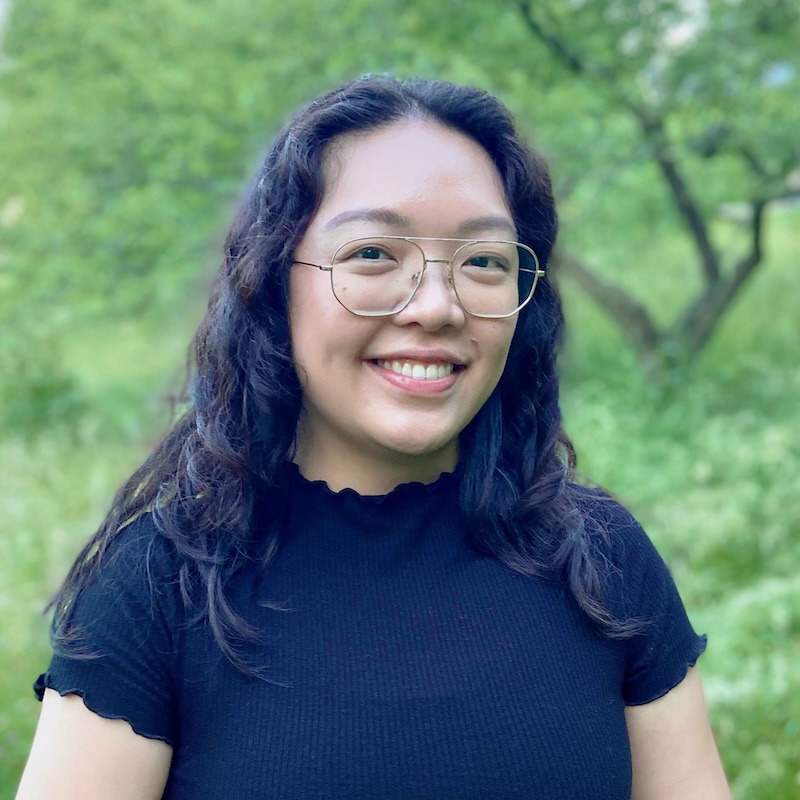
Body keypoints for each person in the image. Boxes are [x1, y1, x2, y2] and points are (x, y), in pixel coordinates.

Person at [17, 75, 731, 799]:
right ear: (273, 280)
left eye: (483, 261)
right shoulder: (160, 589)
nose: (436, 306)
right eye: (373, 254)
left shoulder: (603, 562)